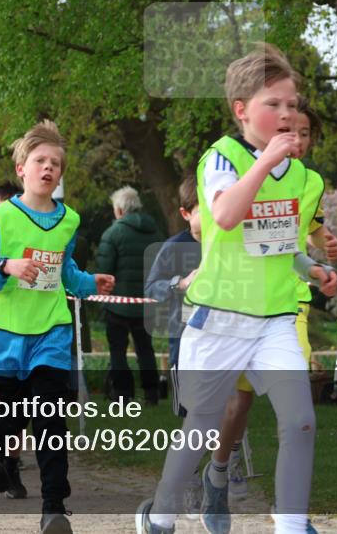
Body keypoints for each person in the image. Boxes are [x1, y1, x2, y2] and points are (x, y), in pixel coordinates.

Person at [135, 44, 337, 534]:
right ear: (242, 110)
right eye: (274, 104)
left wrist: (312, 269)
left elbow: (275, 242)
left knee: (301, 421)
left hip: (274, 322)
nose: (288, 114)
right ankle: (159, 515)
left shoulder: (307, 180)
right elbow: (226, 216)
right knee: (203, 429)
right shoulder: (220, 159)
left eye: (293, 104)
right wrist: (265, 162)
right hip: (218, 320)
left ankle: (291, 527)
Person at [0, 120, 115, 534]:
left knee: (50, 417)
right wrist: (6, 266)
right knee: (11, 418)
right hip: (7, 332)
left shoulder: (69, 220)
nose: (48, 168)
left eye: (55, 164)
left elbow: (65, 271)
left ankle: (55, 508)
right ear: (22, 169)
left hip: (52, 330)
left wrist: (90, 283)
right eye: (40, 161)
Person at [210, 95, 337, 504]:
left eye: (304, 134)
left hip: (289, 307)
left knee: (297, 413)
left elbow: (309, 229)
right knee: (238, 404)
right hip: (243, 306)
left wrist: (323, 252)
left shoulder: (309, 182)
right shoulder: (247, 175)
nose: (296, 139)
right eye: (288, 131)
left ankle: (294, 516)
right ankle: (217, 476)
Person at [143, 174, 203, 517]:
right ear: (185, 213)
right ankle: (192, 480)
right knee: (192, 414)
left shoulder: (228, 243)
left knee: (225, 409)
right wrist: (179, 282)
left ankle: (222, 470)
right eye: (201, 210)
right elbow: (151, 287)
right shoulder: (174, 247)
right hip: (186, 341)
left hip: (226, 340)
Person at [95, 186, 164, 404]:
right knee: (146, 349)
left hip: (119, 304)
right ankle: (152, 393)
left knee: (118, 349)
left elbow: (104, 271)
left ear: (119, 210)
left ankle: (123, 395)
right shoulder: (155, 231)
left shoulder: (113, 233)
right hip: (147, 302)